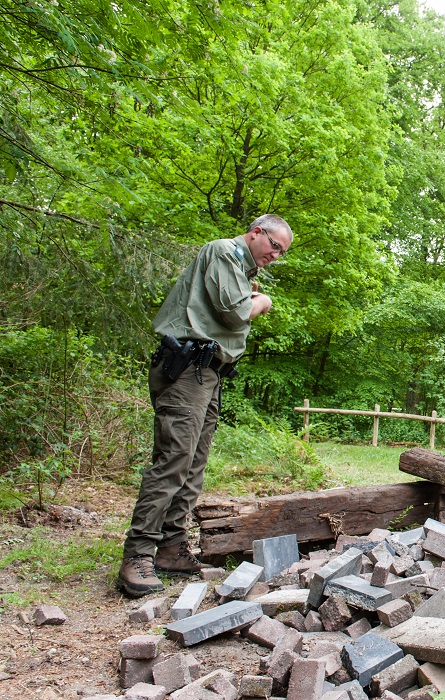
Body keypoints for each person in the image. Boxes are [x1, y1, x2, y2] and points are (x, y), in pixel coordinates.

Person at [116, 215, 293, 597]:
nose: (275, 256)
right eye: (273, 246)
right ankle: (138, 554)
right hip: (186, 369)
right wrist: (262, 301)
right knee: (174, 460)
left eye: (282, 252)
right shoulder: (223, 251)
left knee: (194, 462)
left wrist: (249, 292)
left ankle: (171, 548)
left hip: (207, 373)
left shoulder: (240, 267)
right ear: (255, 232)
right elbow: (234, 312)